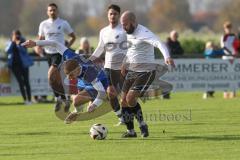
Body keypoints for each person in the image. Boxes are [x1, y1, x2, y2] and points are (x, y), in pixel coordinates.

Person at [22, 39, 109, 123]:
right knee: (76, 99)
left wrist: (95, 105)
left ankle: (120, 118)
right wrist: (36, 43)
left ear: (76, 70)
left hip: (100, 82)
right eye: (67, 75)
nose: (69, 78)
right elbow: (55, 43)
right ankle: (79, 109)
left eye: (70, 75)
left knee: (77, 101)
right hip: (83, 81)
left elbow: (102, 93)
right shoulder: (70, 56)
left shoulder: (90, 74)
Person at [120, 11, 175, 138]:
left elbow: (159, 43)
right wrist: (124, 63)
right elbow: (131, 49)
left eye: (125, 25)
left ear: (133, 22)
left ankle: (142, 125)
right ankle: (131, 132)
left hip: (146, 72)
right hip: (132, 71)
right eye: (122, 25)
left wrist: (167, 57)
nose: (123, 27)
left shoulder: (144, 33)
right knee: (123, 101)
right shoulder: (128, 33)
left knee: (130, 99)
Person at [89, 4, 126, 126]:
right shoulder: (103, 31)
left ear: (119, 15)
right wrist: (89, 60)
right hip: (109, 67)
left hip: (123, 67)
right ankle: (121, 117)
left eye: (115, 14)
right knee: (111, 93)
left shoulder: (124, 30)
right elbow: (100, 48)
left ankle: (134, 118)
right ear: (107, 15)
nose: (113, 16)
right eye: (111, 13)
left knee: (126, 97)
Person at [37, 3, 76, 109]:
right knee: (56, 80)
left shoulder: (63, 23)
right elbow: (40, 39)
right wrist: (38, 48)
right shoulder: (43, 24)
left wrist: (66, 47)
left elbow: (73, 36)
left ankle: (58, 98)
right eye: (50, 10)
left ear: (57, 11)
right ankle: (64, 99)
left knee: (50, 76)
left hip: (59, 54)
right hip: (48, 54)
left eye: (54, 10)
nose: (52, 12)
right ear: (47, 12)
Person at [5, 30, 33, 105]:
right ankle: (25, 100)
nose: (17, 37)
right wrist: (13, 42)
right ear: (12, 36)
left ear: (20, 35)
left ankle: (30, 100)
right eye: (15, 35)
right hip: (14, 66)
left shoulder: (23, 42)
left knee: (27, 82)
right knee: (20, 82)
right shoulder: (10, 42)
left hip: (24, 65)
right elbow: (7, 51)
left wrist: (18, 45)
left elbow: (24, 51)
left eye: (18, 35)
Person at [220, 21, 237, 99]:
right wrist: (230, 53)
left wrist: (235, 52)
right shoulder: (223, 36)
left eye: (229, 28)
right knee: (225, 76)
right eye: (227, 28)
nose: (228, 29)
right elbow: (223, 47)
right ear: (224, 29)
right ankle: (225, 93)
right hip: (226, 57)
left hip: (233, 57)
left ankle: (233, 92)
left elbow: (237, 45)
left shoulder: (234, 36)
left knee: (233, 76)